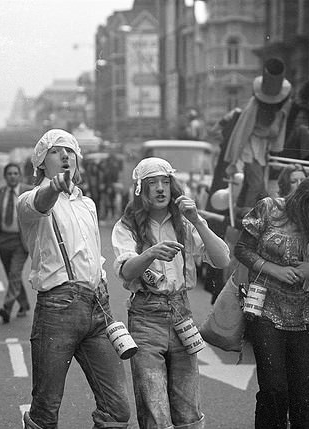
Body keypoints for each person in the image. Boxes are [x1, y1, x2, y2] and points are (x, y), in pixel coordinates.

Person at [17, 129, 130, 429]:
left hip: (97, 308)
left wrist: (102, 284)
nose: (65, 155)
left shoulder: (87, 204)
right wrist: (53, 188)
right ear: (41, 162)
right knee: (46, 411)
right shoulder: (30, 200)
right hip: (57, 310)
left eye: (70, 151)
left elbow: (95, 254)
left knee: (117, 411)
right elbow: (40, 203)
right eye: (56, 151)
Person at [111, 157, 230, 429]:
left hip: (181, 312)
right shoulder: (126, 226)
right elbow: (127, 272)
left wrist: (198, 220)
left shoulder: (184, 223)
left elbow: (223, 259)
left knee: (187, 406)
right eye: (152, 183)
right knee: (154, 406)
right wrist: (151, 253)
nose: (161, 189)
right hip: (145, 316)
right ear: (141, 189)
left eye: (165, 182)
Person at [234, 176, 309, 429]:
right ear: (296, 203)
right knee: (274, 388)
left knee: (304, 394)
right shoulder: (268, 209)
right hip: (267, 307)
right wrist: (273, 269)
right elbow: (241, 249)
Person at [223, 57, 293, 210]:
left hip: (262, 149)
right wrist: (234, 160)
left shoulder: (281, 109)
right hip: (250, 148)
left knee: (258, 187)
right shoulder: (254, 105)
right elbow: (243, 133)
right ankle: (247, 216)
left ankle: (240, 210)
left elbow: (274, 133)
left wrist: (281, 113)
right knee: (257, 184)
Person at [0, 162, 32, 323]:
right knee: (12, 275)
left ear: (19, 175)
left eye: (15, 173)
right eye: (9, 174)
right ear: (5, 176)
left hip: (21, 241)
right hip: (3, 239)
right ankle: (24, 304)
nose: (12, 176)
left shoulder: (28, 191)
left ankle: (7, 307)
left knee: (14, 273)